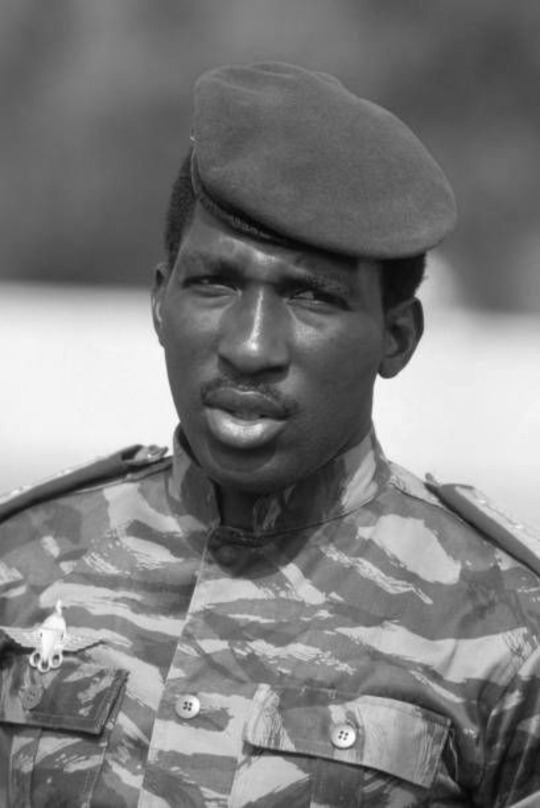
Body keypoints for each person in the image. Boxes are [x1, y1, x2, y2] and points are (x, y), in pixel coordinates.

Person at [0, 62, 539, 808]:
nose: (251, 347)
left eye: (311, 296)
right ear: (160, 301)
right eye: (215, 283)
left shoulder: (504, 630)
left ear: (397, 337)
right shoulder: (24, 565)